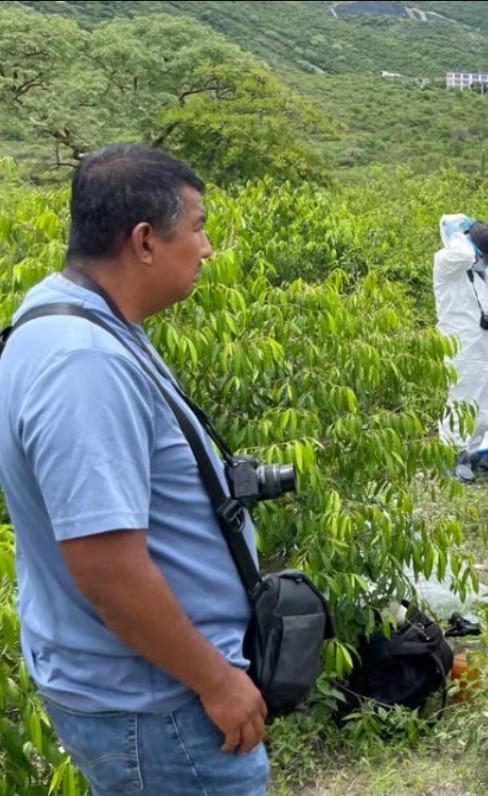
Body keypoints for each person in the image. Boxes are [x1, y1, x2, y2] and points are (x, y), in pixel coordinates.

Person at [0, 145, 268, 794]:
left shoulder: (64, 312)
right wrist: (217, 681)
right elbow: (107, 570)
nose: (206, 248)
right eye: (199, 227)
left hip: (143, 692)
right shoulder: (82, 362)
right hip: (159, 708)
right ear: (144, 241)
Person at [433, 214, 488, 482]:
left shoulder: (483, 266)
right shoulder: (447, 262)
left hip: (486, 345)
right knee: (462, 400)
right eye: (481, 255)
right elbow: (461, 253)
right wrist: (460, 233)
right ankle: (453, 456)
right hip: (462, 345)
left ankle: (476, 450)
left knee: (484, 400)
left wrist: (480, 229)